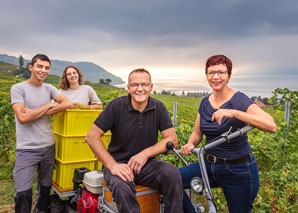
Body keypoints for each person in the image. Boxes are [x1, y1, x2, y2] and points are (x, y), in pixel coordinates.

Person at [179, 55, 277, 213]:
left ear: (229, 75)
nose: (216, 77)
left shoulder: (239, 100)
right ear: (206, 76)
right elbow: (197, 133)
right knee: (171, 179)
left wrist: (233, 113)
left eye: (221, 72)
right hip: (208, 166)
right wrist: (190, 144)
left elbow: (271, 125)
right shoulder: (205, 102)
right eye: (211, 73)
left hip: (238, 170)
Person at [86, 68, 183, 213]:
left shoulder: (158, 107)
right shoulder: (116, 106)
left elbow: (172, 140)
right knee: (122, 188)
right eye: (135, 85)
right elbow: (92, 137)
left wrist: (144, 154)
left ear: (151, 87)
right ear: (128, 88)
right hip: (119, 164)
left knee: (172, 173)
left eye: (144, 84)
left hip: (147, 165)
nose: (140, 89)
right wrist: (113, 166)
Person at [11, 54, 72, 213]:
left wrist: (40, 110)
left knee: (45, 188)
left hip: (48, 146)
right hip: (26, 149)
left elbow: (68, 103)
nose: (43, 70)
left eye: (46, 68)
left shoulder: (49, 88)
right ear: (31, 67)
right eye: (40, 66)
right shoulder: (18, 88)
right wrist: (48, 107)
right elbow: (23, 117)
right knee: (23, 192)